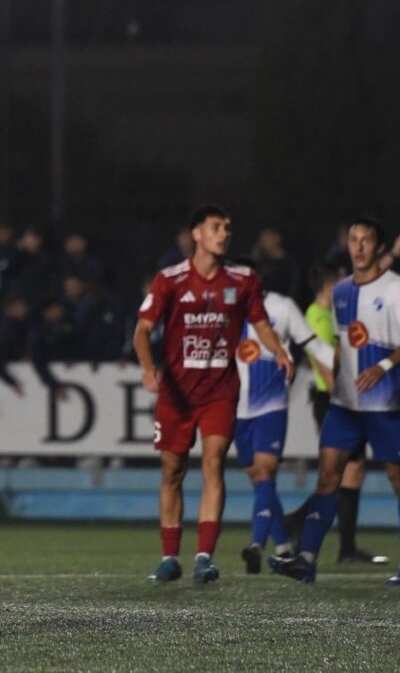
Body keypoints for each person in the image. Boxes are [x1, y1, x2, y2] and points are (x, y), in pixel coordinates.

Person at [134, 205, 293, 584]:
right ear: (197, 235)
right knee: (172, 471)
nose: (225, 233)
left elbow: (261, 324)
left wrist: (280, 351)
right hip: (176, 394)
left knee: (213, 463)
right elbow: (142, 330)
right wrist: (147, 367)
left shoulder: (243, 280)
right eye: (216, 227)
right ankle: (170, 556)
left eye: (227, 227)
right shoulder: (169, 280)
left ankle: (204, 556)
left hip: (220, 391)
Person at [269, 217, 400, 585]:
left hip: (386, 402)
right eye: (353, 239)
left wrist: (384, 366)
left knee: (399, 478)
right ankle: (306, 559)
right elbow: (341, 343)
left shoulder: (398, 289)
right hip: (344, 405)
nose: (358, 246)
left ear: (377, 245)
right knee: (328, 478)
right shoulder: (340, 292)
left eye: (366, 240)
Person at [232, 258, 334, 574]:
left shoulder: (282, 307)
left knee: (264, 473)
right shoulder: (224, 315)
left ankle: (256, 546)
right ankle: (284, 546)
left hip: (271, 406)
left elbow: (313, 345)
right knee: (260, 481)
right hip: (237, 411)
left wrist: (343, 369)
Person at [283, 263, 387, 565]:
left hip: (337, 399)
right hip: (331, 401)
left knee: (348, 472)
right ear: (329, 286)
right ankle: (333, 541)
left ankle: (340, 544)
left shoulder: (329, 315)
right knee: (342, 472)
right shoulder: (316, 316)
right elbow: (323, 365)